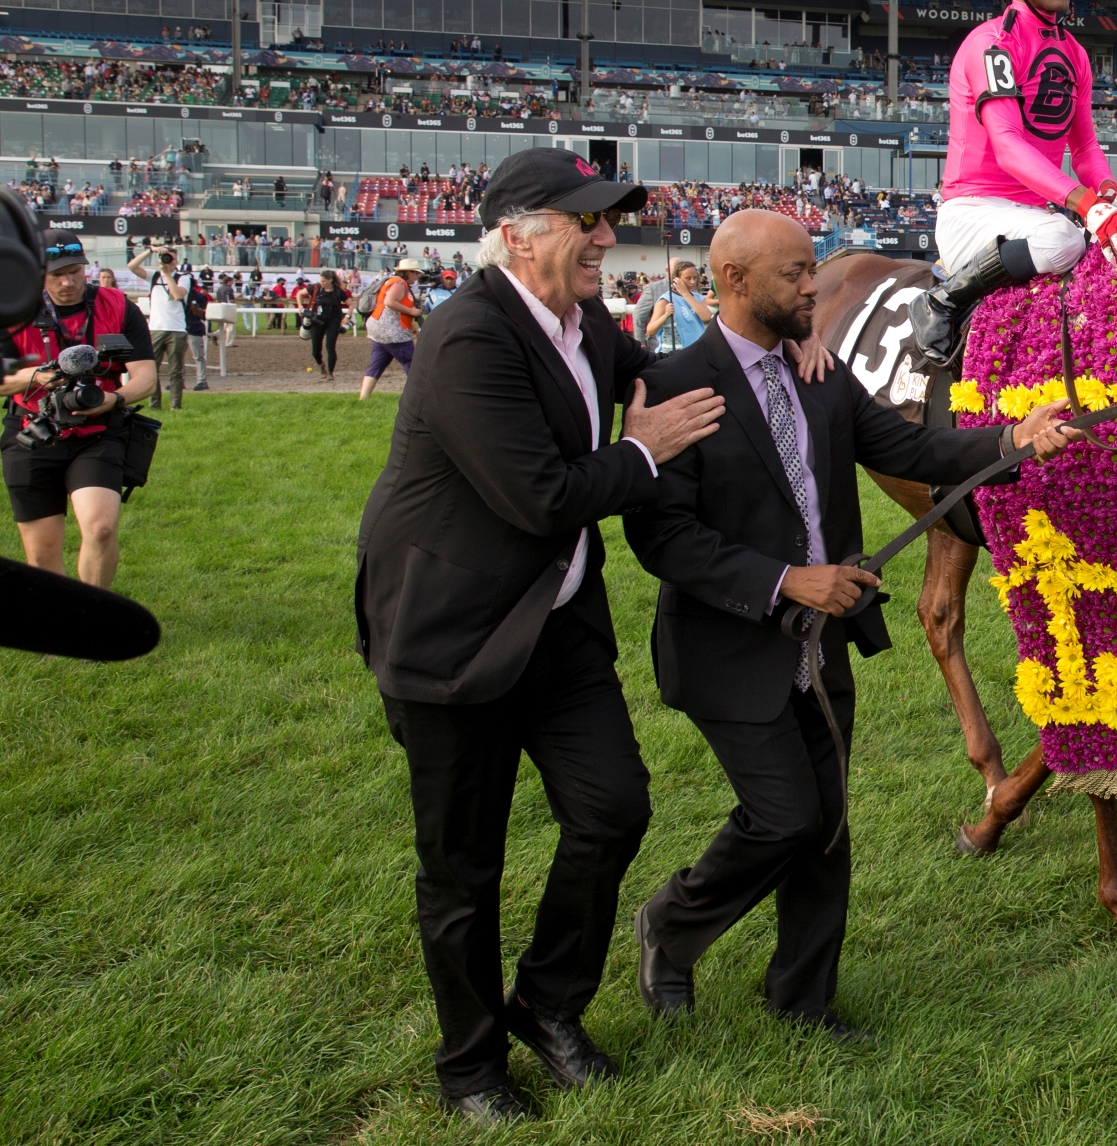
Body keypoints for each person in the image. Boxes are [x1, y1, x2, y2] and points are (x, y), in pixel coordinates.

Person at [622, 210, 1078, 1042]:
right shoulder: (678, 380)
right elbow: (661, 536)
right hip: (728, 648)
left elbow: (911, 448)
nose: (812, 285)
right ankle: (671, 922)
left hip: (820, 645)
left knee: (826, 825)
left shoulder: (822, 374)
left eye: (811, 269)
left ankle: (802, 999)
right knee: (785, 815)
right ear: (734, 281)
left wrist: (1016, 436)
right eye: (795, 274)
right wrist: (787, 580)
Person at [354, 147, 725, 1124]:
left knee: (613, 811)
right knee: (462, 869)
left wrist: (781, 344)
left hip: (554, 621)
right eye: (586, 221)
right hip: (452, 639)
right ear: (518, 235)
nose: (608, 237)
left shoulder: (583, 316)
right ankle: (470, 1067)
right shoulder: (468, 337)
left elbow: (663, 368)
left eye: (608, 220)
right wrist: (645, 449)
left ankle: (546, 1004)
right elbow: (543, 496)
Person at [907, 0, 1117, 365]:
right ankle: (941, 300)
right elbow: (1009, 147)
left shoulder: (1075, 53)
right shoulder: (990, 44)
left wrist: (1111, 191)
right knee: (1067, 239)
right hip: (974, 211)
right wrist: (1085, 204)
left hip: (1031, 220)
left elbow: (1086, 147)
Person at [1, 235, 158, 588]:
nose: (68, 282)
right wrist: (44, 376)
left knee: (101, 529)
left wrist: (113, 400)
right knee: (42, 555)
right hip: (33, 433)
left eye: (75, 272)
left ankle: (93, 616)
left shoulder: (117, 305)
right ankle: (59, 626)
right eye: (56, 275)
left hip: (99, 431)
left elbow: (146, 378)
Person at [127, 247, 187, 410]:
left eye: (172, 258)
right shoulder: (154, 276)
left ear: (177, 261)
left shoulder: (183, 277)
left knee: (175, 371)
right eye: (167, 257)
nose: (170, 261)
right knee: (152, 369)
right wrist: (150, 250)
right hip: (155, 328)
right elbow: (131, 266)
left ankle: (175, 406)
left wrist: (167, 273)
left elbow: (177, 295)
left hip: (176, 328)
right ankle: (155, 406)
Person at [358, 257, 422, 400]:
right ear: (408, 273)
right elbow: (390, 302)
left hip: (378, 328)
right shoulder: (400, 283)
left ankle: (363, 398)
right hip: (392, 331)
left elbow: (399, 310)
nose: (417, 277)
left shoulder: (392, 281)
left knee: (377, 364)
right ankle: (417, 397)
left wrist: (414, 328)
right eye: (416, 273)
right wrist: (413, 312)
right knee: (411, 362)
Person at [644, 259, 713, 353]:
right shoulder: (666, 300)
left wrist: (685, 293)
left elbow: (706, 317)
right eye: (688, 278)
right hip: (672, 355)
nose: (693, 282)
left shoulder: (698, 297)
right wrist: (665, 316)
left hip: (696, 353)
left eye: (695, 277)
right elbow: (650, 331)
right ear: (676, 279)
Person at [307, 270, 349, 379]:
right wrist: (300, 307)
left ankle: (330, 371)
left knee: (330, 347)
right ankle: (321, 365)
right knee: (315, 350)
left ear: (330, 280)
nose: (322, 283)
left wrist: (347, 316)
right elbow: (299, 294)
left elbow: (351, 304)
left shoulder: (338, 291)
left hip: (333, 321)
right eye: (321, 281)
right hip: (317, 321)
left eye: (324, 281)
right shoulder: (316, 288)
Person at [184, 269, 211, 392]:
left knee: (198, 356)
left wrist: (192, 307)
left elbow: (203, 314)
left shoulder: (199, 296)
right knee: (177, 357)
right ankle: (179, 380)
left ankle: (202, 380)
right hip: (180, 328)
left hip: (194, 328)